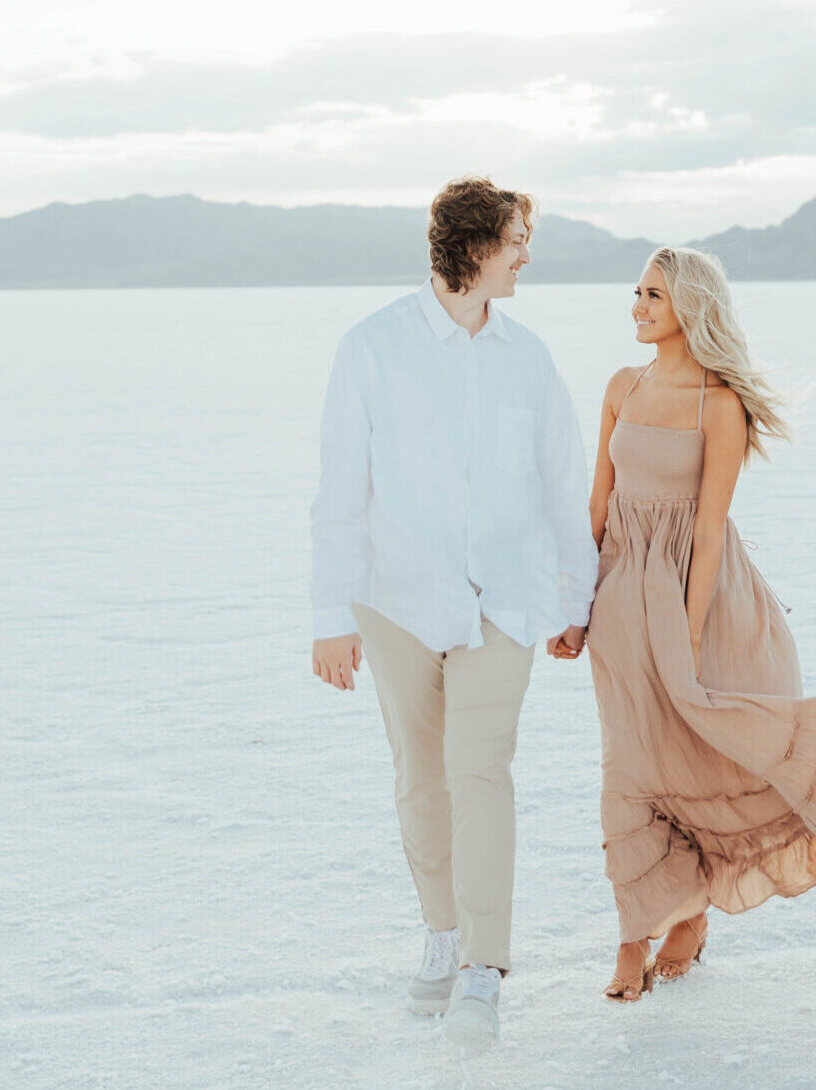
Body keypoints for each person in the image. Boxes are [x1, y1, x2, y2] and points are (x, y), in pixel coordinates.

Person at [581, 247, 816, 1002]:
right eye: (637, 293)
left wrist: (683, 637)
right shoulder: (622, 386)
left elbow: (709, 531)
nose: (637, 306)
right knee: (632, 765)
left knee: (713, 762)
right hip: (621, 602)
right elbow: (596, 508)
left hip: (703, 606)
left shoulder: (720, 403)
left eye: (653, 294)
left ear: (691, 306)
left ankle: (690, 916)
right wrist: (572, 608)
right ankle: (633, 933)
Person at [309, 177, 597, 1055]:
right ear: (473, 247)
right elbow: (339, 492)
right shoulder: (372, 348)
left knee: (481, 771)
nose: (525, 256)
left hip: (506, 602)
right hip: (395, 599)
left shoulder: (529, 358)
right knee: (419, 778)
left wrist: (573, 600)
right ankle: (441, 932)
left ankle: (483, 966)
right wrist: (331, 614)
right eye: (516, 240)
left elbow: (562, 487)